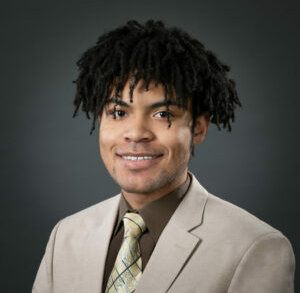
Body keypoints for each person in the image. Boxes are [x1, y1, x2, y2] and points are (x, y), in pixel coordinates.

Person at [32, 20, 295, 293]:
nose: (136, 134)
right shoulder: (65, 236)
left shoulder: (254, 248)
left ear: (198, 129)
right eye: (119, 113)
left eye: (163, 114)